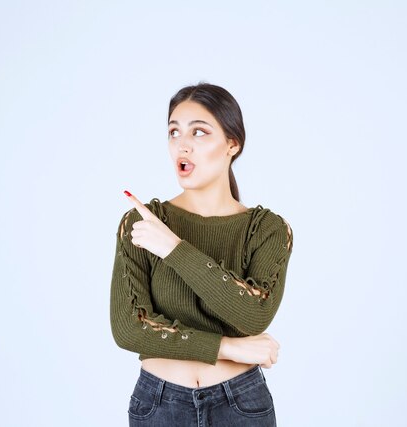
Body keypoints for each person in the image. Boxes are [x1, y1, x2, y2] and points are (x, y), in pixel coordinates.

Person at [109, 82, 293, 426]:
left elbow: (253, 315)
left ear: (232, 144)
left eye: (199, 132)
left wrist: (173, 249)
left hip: (241, 404)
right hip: (159, 405)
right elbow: (129, 329)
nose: (182, 144)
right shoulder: (143, 221)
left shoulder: (267, 228)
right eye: (174, 132)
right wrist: (229, 348)